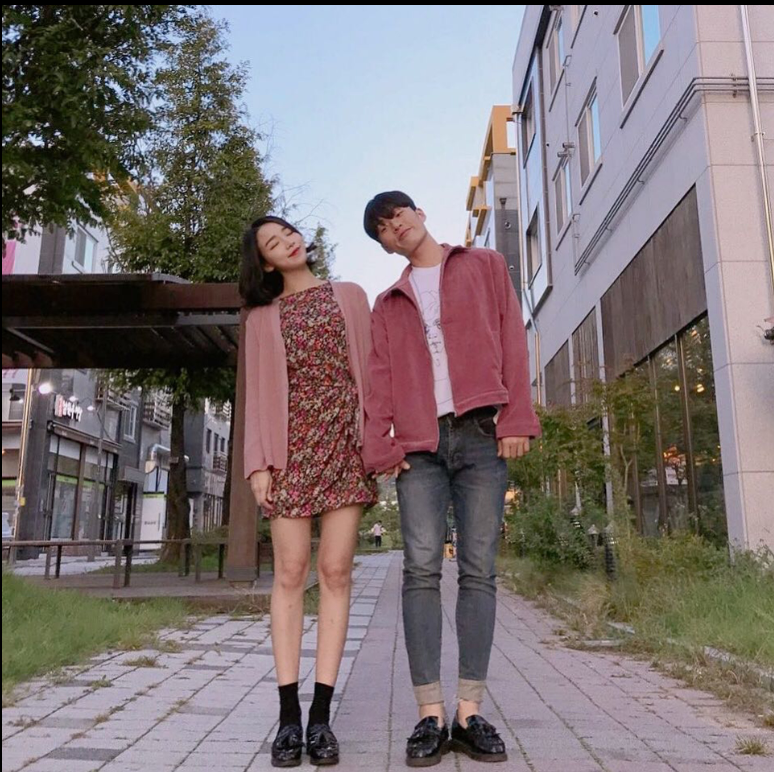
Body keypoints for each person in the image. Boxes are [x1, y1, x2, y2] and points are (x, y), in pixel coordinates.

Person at [362, 192, 540, 766]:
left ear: (419, 214)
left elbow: (513, 338)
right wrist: (379, 444)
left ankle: (469, 712)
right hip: (420, 448)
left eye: (399, 214)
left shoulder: (483, 265)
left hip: (483, 434)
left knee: (478, 570)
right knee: (419, 570)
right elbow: (379, 379)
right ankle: (429, 716)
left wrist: (517, 417)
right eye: (383, 228)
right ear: (385, 245)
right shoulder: (388, 303)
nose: (395, 226)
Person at [240, 215, 377, 767]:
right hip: (289, 450)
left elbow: (373, 373)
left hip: (345, 444)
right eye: (273, 244)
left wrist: (381, 440)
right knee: (290, 572)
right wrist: (258, 463)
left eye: (287, 233)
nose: (287, 243)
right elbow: (254, 394)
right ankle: (287, 717)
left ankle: (321, 717)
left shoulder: (351, 295)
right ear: (265, 262)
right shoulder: (261, 319)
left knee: (336, 571)